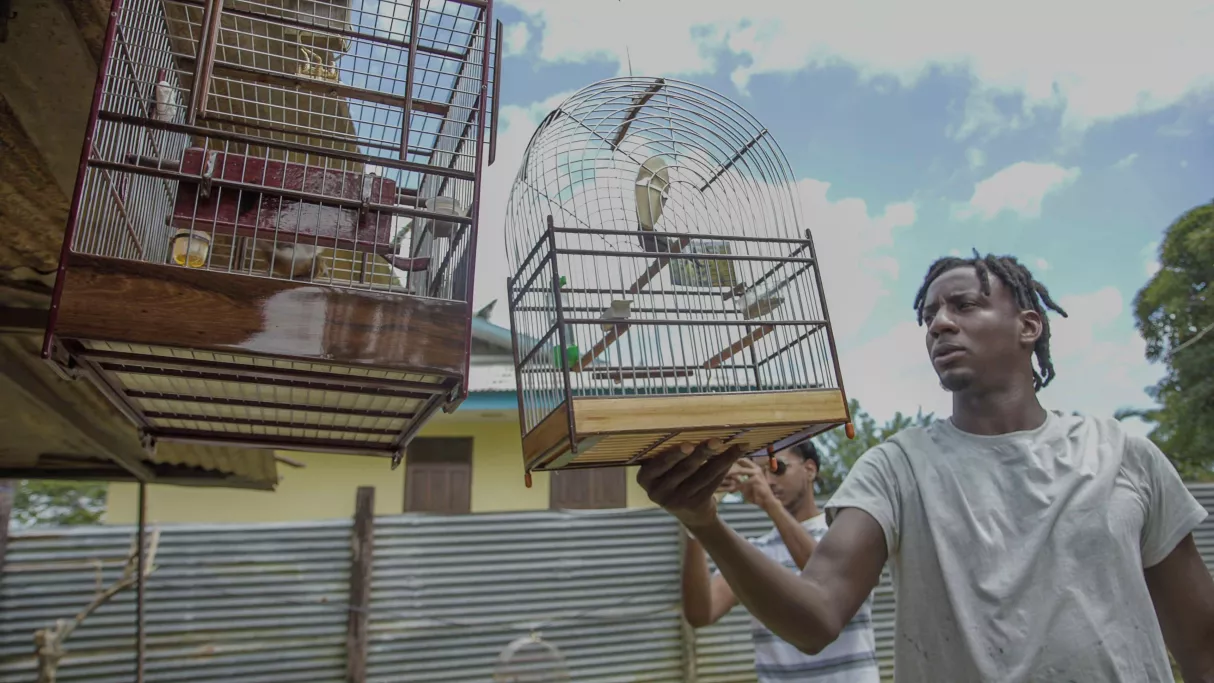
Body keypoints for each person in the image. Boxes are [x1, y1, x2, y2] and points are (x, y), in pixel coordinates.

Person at [637, 251, 1214, 682]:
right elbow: (815, 618)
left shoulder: (1122, 454)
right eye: (931, 313)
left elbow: (1201, 642)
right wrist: (704, 522)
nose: (939, 323)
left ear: (1029, 327)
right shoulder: (896, 468)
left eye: (964, 305)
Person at [680, 442, 880, 682]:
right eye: (760, 472)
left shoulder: (845, 536)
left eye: (777, 468)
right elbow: (702, 613)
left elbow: (826, 581)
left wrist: (769, 504)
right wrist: (695, 518)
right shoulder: (757, 551)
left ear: (810, 469)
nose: (768, 481)